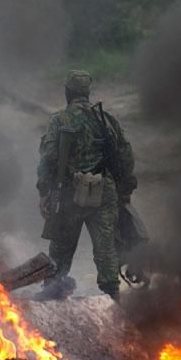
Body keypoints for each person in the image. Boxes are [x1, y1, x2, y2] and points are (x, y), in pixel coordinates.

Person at [35, 70, 137, 300]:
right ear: (87, 93)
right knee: (106, 246)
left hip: (71, 193)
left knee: (61, 247)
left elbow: (48, 158)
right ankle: (112, 296)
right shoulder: (106, 119)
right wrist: (124, 189)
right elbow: (126, 156)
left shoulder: (60, 120)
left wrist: (44, 192)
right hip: (104, 190)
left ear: (67, 92)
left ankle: (52, 294)